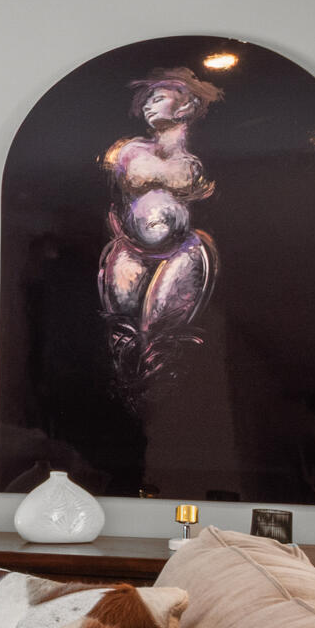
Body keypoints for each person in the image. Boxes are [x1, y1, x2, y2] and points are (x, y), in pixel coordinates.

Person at [96, 68, 219, 397]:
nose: (149, 106)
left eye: (159, 98)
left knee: (164, 331)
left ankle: (166, 401)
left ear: (185, 107)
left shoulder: (194, 164)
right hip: (129, 248)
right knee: (122, 329)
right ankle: (127, 400)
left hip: (181, 251)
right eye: (147, 100)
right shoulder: (129, 151)